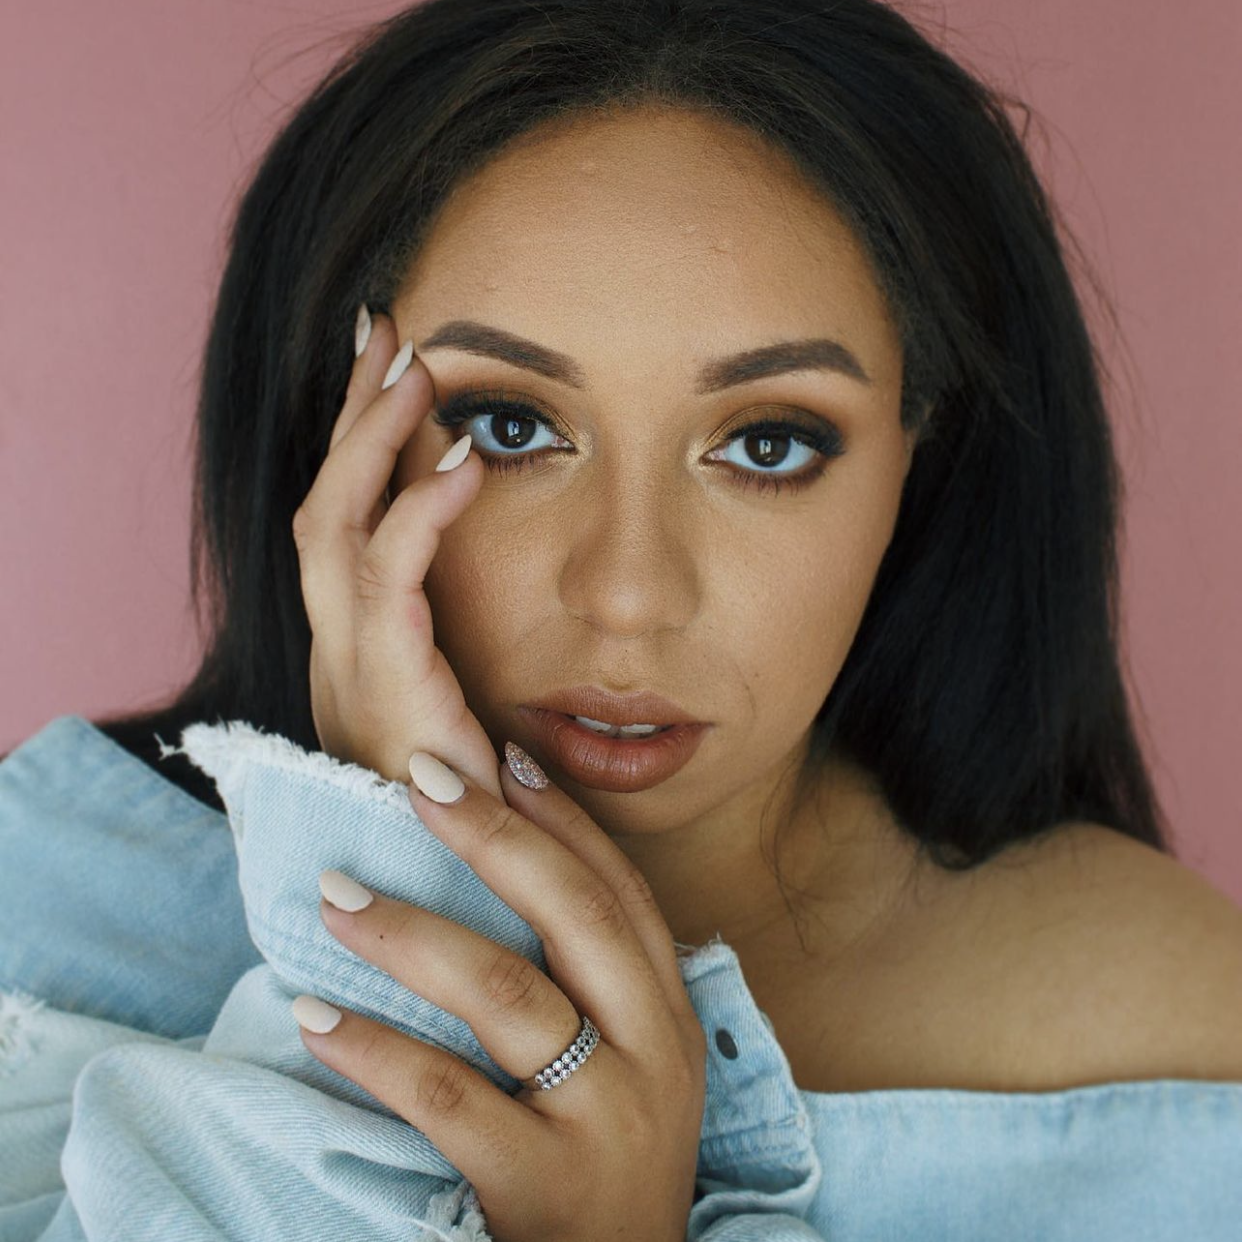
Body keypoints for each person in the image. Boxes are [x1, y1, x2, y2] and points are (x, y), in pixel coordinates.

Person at [2, 0, 1241, 1237]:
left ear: (922, 456)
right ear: (344, 430)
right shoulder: (45, 918)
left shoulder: (1169, 1056)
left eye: (768, 443)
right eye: (508, 426)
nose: (631, 597)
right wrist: (391, 878)